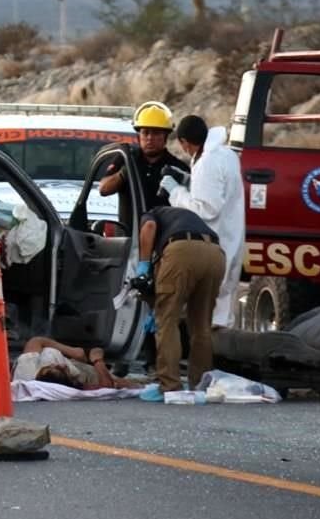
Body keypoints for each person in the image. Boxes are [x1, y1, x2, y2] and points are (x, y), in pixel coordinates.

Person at [160, 115, 245, 329]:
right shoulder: (226, 155)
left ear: (184, 142)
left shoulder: (208, 161)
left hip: (217, 243)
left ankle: (210, 356)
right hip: (231, 236)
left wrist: (175, 191)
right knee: (223, 308)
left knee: (210, 314)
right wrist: (188, 180)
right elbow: (218, 189)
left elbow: (206, 208)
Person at [130, 206, 226, 394]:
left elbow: (148, 226)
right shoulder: (180, 218)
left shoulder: (151, 214)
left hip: (181, 250)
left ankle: (170, 386)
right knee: (202, 326)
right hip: (215, 253)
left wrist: (143, 264)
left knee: (167, 322)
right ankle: (201, 385)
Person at [99, 101, 190, 209]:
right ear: (139, 136)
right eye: (145, 132)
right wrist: (125, 172)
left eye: (156, 133)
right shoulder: (126, 158)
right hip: (129, 226)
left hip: (166, 225)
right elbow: (103, 189)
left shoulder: (177, 168)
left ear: (165, 137)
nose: (150, 138)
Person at [11, 336, 141, 390]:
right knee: (125, 385)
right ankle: (141, 385)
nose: (60, 365)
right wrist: (98, 361)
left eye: (53, 367)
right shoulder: (73, 383)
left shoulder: (26, 371)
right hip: (79, 372)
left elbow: (36, 341)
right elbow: (107, 387)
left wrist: (73, 352)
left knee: (48, 355)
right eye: (61, 369)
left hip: (67, 357)